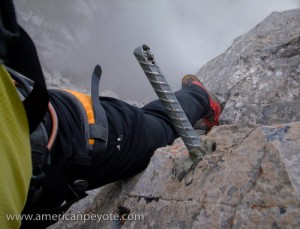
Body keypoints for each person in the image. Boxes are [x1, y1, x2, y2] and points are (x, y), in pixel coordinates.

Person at [1, 1, 222, 228]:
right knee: (151, 126)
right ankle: (196, 97)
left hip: (59, 138)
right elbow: (11, 31)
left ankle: (199, 97)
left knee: (157, 128)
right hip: (56, 128)